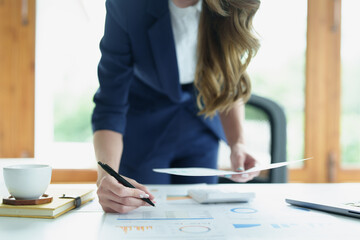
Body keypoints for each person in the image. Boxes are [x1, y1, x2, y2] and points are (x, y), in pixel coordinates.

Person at [92, 0, 261, 214]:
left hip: (201, 121)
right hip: (144, 125)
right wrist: (106, 175)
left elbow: (228, 80)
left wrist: (238, 143)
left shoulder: (234, 5)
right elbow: (110, 104)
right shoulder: (126, 5)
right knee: (141, 210)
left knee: (202, 215)